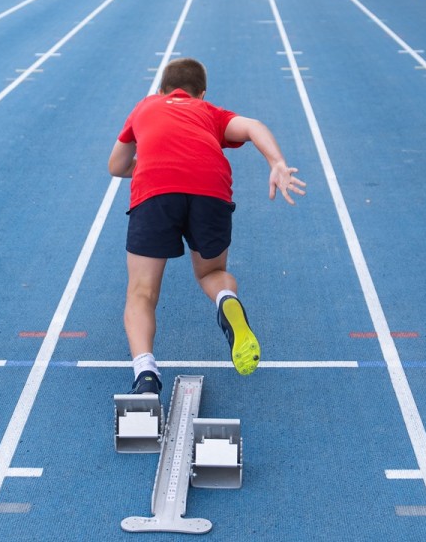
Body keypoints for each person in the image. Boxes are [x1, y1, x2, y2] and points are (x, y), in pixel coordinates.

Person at [107, 58, 305, 396]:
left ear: (160, 90)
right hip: (209, 186)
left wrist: (154, 162)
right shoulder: (210, 112)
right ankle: (226, 299)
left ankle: (146, 375)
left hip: (155, 190)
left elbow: (117, 165)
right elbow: (253, 126)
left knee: (142, 292)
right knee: (211, 273)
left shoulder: (145, 106)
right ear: (201, 93)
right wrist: (277, 163)